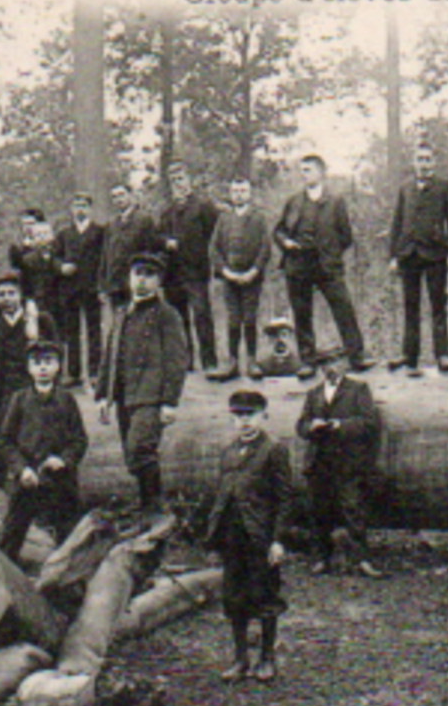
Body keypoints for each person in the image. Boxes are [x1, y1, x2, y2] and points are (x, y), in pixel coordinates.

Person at [203, 389, 292, 682]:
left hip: (261, 537)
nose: (245, 422)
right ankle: (240, 659)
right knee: (234, 597)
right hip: (233, 536)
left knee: (265, 595)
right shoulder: (228, 452)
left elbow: (284, 499)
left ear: (263, 416)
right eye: (239, 416)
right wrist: (213, 537)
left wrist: (278, 540)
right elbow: (221, 496)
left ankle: (266, 659)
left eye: (251, 415)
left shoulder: (273, 449)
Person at [96, 252, 189, 513]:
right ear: (129, 278)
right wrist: (103, 396)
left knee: (140, 450)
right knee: (131, 457)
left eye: (149, 275)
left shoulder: (166, 314)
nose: (142, 281)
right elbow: (109, 356)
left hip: (151, 396)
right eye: (138, 274)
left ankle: (154, 507)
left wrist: (170, 402)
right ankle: (147, 504)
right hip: (124, 396)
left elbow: (177, 360)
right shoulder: (122, 313)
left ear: (159, 281)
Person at [273, 154, 372, 375]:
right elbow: (278, 230)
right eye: (302, 170)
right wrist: (286, 243)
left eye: (308, 169)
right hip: (298, 265)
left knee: (343, 308)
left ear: (320, 172)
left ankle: (356, 356)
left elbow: (345, 236)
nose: (303, 174)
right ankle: (308, 362)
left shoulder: (335, 202)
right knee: (302, 314)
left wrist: (330, 254)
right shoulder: (294, 201)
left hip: (327, 266)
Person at [0, 339, 88, 561]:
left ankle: (69, 580)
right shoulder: (20, 399)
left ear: (58, 366)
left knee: (69, 537)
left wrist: (64, 460)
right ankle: (5, 574)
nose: (43, 368)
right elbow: (4, 441)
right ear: (29, 368)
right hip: (28, 480)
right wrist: (21, 469)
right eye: (36, 363)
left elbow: (79, 440)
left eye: (48, 362)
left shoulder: (66, 400)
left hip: (59, 480)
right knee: (11, 534)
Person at [297, 345, 382, 577]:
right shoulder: (313, 393)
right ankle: (320, 559)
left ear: (344, 363)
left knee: (352, 508)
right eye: (325, 364)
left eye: (334, 362)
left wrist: (340, 425)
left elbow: (369, 422)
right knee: (318, 511)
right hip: (319, 461)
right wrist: (311, 427)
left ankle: (362, 560)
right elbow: (300, 425)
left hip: (348, 461)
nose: (330, 368)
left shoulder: (358, 389)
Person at [388, 141, 448, 375]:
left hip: (435, 254)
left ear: (434, 162)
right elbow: (397, 222)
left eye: (427, 159)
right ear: (414, 162)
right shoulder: (405, 188)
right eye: (419, 159)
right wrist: (393, 256)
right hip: (409, 255)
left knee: (438, 305)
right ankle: (409, 356)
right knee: (410, 307)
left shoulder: (445, 188)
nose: (423, 164)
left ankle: (442, 354)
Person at [158, 162, 221, 373]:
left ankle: (209, 361)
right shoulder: (167, 213)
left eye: (181, 178)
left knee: (202, 315)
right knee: (178, 319)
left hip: (196, 271)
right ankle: (186, 361)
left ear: (189, 179)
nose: (179, 184)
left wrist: (211, 261)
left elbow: (216, 235)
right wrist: (166, 242)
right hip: (173, 274)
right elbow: (157, 238)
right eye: (174, 181)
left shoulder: (203, 207)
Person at [208, 178, 271, 382]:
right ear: (231, 193)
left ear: (249, 193)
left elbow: (265, 247)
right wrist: (225, 272)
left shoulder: (259, 218)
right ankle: (232, 362)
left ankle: (252, 361)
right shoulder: (224, 219)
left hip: (251, 278)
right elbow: (214, 248)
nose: (239, 195)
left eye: (243, 191)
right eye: (235, 191)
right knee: (233, 319)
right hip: (230, 278)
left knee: (250, 319)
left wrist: (254, 271)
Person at [0, 270, 53, 418]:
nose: (7, 298)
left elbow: (55, 352)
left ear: (20, 295)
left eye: (11, 293)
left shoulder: (40, 320)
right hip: (2, 389)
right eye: (1, 294)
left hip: (30, 385)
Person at [53, 193, 106, 385]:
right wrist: (62, 267)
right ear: (71, 210)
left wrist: (102, 287)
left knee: (94, 331)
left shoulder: (100, 232)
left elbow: (105, 259)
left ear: (90, 209)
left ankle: (94, 372)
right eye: (76, 206)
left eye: (84, 205)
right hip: (70, 290)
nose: (80, 209)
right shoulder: (64, 234)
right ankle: (73, 373)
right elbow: (55, 258)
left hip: (92, 288)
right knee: (71, 332)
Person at [99, 183, 160, 315]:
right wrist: (103, 285)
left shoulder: (143, 220)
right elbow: (106, 255)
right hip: (116, 284)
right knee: (120, 324)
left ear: (130, 196)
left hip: (137, 282)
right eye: (114, 197)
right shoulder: (111, 224)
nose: (118, 199)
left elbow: (151, 251)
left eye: (121, 195)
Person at [10, 211, 61, 316]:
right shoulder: (17, 249)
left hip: (55, 297)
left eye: (31, 223)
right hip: (32, 296)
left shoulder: (56, 249)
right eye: (25, 224)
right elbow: (20, 276)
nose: (28, 227)